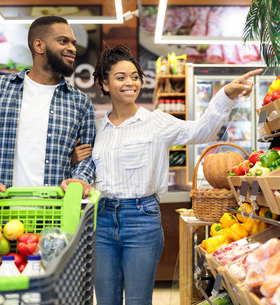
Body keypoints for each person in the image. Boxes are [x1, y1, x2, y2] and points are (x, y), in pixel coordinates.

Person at [91, 43, 262, 305]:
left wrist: (225, 95)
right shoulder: (98, 128)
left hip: (141, 219)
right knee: (105, 301)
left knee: (138, 301)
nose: (130, 83)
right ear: (104, 84)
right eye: (120, 77)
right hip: (102, 220)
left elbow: (201, 131)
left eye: (135, 77)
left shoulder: (156, 121)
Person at [0, 16, 95, 198]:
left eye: (73, 43)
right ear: (39, 46)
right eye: (63, 41)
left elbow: (89, 154)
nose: (72, 48)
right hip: (4, 210)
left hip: (56, 213)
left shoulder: (80, 102)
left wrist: (80, 179)